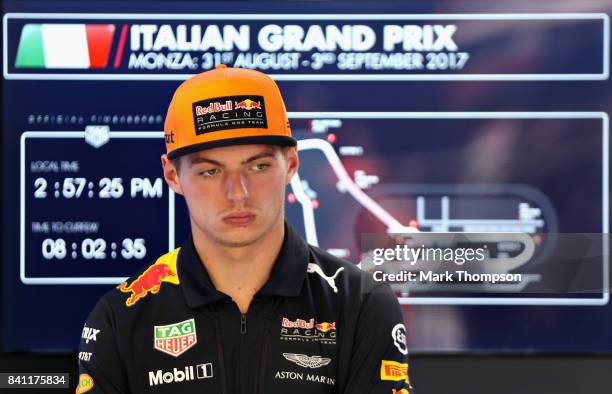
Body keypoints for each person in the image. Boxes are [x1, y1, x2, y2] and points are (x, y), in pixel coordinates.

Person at [76, 64, 412, 394]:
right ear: (172, 175)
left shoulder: (361, 304)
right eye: (211, 171)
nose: (238, 193)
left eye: (259, 166)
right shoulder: (121, 317)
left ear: (291, 163)